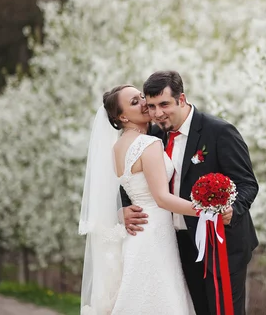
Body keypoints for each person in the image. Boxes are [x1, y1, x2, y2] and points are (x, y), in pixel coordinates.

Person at [122, 71, 259, 315]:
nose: (157, 113)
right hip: (176, 245)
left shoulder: (219, 132)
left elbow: (248, 183)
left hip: (220, 243)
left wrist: (232, 210)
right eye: (151, 106)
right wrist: (124, 206)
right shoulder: (151, 137)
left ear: (181, 99)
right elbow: (131, 176)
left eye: (164, 104)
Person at [79, 84, 201, 314]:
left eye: (141, 97)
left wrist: (119, 211)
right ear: (122, 116)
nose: (145, 103)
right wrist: (206, 210)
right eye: (135, 102)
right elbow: (162, 199)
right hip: (154, 231)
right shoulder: (149, 143)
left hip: (137, 234)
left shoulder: (117, 147)